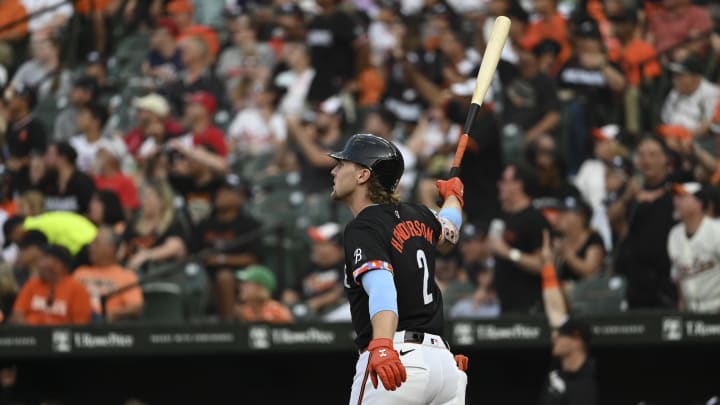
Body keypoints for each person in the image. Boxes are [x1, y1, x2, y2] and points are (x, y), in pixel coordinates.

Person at [328, 134, 467, 403]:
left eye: (342, 163)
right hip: (445, 368)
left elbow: (381, 286)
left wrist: (381, 345)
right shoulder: (420, 214)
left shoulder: (363, 226)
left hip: (399, 360)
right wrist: (454, 197)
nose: (334, 170)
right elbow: (450, 230)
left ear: (362, 175)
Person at [611, 136, 677, 309]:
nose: (647, 160)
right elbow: (612, 217)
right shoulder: (630, 189)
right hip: (635, 277)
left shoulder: (676, 188)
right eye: (642, 155)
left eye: (653, 155)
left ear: (665, 159)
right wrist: (627, 198)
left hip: (667, 276)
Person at [538, 230, 598, 405]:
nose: (555, 337)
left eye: (562, 334)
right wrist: (548, 266)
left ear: (577, 339)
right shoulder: (557, 372)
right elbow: (555, 312)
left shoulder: (588, 381)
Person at [194, 175, 262, 320]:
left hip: (239, 276)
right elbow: (192, 252)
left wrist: (221, 259)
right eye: (220, 191)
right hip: (204, 274)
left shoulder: (249, 224)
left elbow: (253, 258)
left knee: (224, 277)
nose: (220, 195)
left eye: (227, 191)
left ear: (240, 197)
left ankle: (229, 327)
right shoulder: (206, 223)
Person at [489, 164, 547, 313]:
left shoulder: (535, 219)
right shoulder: (503, 216)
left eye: (504, 180)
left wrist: (509, 253)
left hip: (530, 307)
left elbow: (542, 264)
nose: (499, 185)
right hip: (505, 304)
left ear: (518, 185)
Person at [667, 182, 720, 313]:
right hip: (692, 314)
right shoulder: (674, 235)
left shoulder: (716, 230)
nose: (675, 201)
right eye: (675, 197)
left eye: (682, 197)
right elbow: (678, 279)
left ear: (699, 203)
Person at [10, 244, 92, 325]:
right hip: (30, 334)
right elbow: (17, 314)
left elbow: (80, 323)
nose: (40, 264)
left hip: (62, 335)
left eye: (44, 258)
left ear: (59, 264)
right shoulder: (32, 285)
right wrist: (31, 334)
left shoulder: (77, 289)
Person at [74, 227, 143, 322]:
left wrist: (114, 313)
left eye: (96, 243)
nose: (90, 247)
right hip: (77, 324)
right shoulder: (80, 272)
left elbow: (136, 307)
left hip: (106, 328)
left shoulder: (126, 276)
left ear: (112, 248)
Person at [660, 57, 719, 137]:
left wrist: (683, 136)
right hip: (672, 137)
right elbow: (666, 119)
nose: (675, 79)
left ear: (695, 77)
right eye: (674, 76)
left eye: (681, 76)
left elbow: (708, 125)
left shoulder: (711, 93)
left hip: (701, 140)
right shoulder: (675, 92)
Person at [3, 85, 46, 196]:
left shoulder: (35, 126)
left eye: (15, 96)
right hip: (7, 179)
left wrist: (20, 162)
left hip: (27, 183)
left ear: (25, 101)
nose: (10, 100)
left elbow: (39, 154)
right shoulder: (9, 125)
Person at [555, 196, 605, 282]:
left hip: (587, 293)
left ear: (581, 217)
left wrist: (567, 254)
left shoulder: (593, 239)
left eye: (565, 213)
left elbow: (591, 272)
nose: (560, 217)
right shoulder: (560, 240)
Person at [39, 141, 96, 214]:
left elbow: (90, 211)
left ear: (63, 159)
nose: (45, 158)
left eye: (50, 154)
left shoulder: (83, 182)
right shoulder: (47, 181)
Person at [69, 102, 109, 172]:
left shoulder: (109, 147)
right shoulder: (73, 143)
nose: (79, 118)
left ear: (96, 121)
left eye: (83, 115)